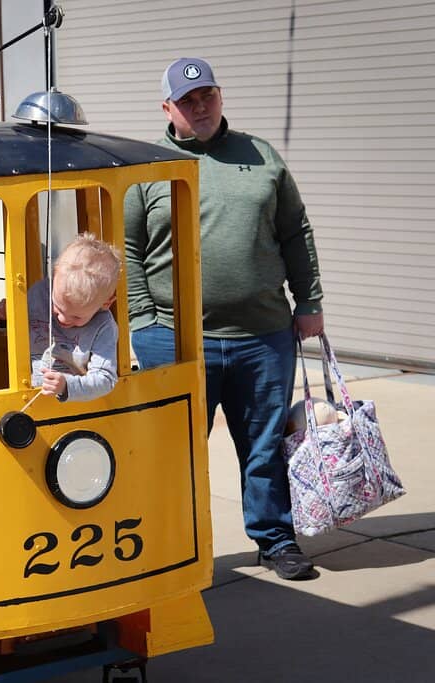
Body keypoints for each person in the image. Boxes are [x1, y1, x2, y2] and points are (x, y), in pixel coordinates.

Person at [124, 57, 324, 580]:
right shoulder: (145, 167)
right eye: (187, 100)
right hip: (175, 339)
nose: (200, 106)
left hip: (263, 335)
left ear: (220, 96)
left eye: (207, 95)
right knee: (175, 453)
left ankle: (276, 540)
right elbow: (127, 249)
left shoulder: (261, 156)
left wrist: (309, 302)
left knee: (264, 447)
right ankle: (170, 550)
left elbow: (295, 232)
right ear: (167, 108)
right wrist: (144, 322)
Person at [0, 233, 120, 402]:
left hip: (71, 406)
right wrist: (5, 318)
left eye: (76, 317)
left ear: (106, 303)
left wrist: (66, 386)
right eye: (57, 308)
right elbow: (19, 330)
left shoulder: (104, 326)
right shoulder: (39, 294)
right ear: (53, 279)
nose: (62, 319)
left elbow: (105, 379)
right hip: (26, 395)